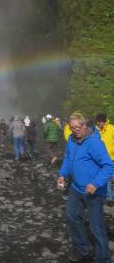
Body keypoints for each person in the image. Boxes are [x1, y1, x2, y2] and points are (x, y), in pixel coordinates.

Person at [58, 112, 114, 263]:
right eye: (72, 127)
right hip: (76, 188)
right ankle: (84, 249)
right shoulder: (71, 139)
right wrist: (62, 174)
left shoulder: (94, 142)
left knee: (96, 226)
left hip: (94, 191)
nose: (75, 130)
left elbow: (109, 166)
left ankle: (104, 258)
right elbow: (68, 159)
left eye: (78, 126)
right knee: (71, 216)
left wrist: (95, 183)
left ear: (84, 125)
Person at [95, 113, 114, 201]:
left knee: (111, 178)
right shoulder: (96, 131)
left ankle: (110, 195)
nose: (100, 124)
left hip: (112, 157)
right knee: (107, 179)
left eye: (102, 122)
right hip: (102, 159)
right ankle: (109, 197)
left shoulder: (111, 128)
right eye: (99, 122)